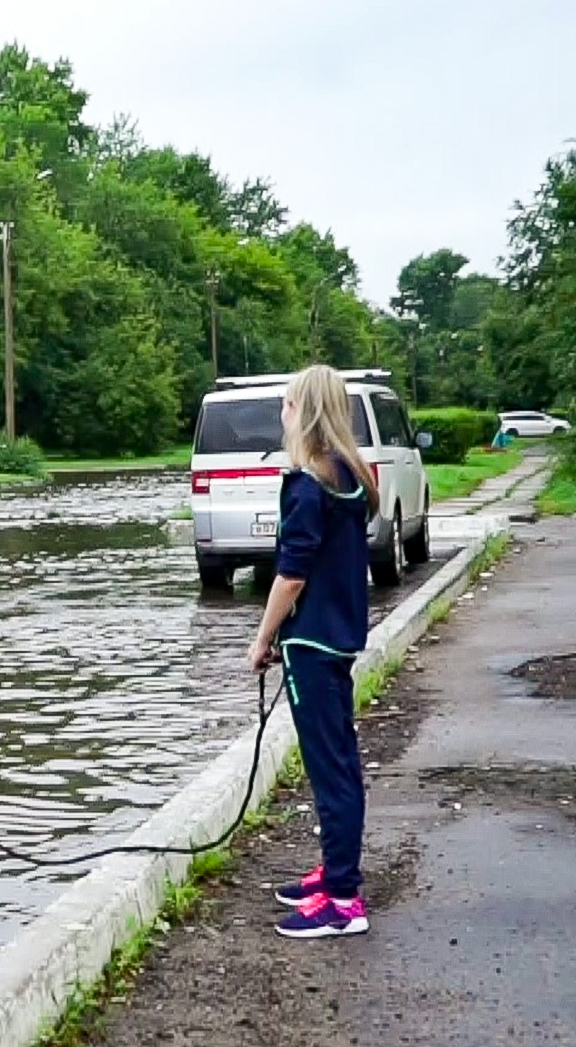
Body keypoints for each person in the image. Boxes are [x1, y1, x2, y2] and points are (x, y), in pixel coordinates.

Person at [246, 365, 378, 939]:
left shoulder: (306, 484)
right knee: (339, 762)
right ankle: (335, 872)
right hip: (340, 636)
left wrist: (262, 638)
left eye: (287, 403)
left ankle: (344, 901)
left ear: (305, 412)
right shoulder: (350, 476)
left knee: (330, 770)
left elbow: (291, 574)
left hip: (309, 642)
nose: (282, 412)